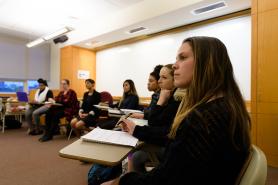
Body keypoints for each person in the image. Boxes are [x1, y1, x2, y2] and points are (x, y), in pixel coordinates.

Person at [102, 36, 251, 185]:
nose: (174, 65)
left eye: (183, 58)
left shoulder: (201, 119)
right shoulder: (227, 107)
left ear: (207, 63)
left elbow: (164, 180)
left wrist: (120, 182)